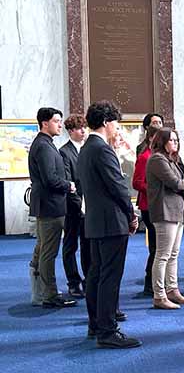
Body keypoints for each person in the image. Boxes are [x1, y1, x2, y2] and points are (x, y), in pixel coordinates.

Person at [78, 100, 141, 349]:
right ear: (106, 122)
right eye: (116, 122)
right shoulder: (102, 150)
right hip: (111, 222)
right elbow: (118, 187)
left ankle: (96, 324)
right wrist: (132, 214)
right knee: (109, 277)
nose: (117, 128)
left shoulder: (86, 148)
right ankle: (107, 330)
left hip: (95, 221)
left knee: (96, 275)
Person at [28, 107, 77, 308]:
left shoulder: (45, 144)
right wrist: (69, 185)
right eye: (56, 121)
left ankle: (41, 292)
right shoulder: (44, 146)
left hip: (49, 204)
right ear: (45, 123)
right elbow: (50, 179)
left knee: (43, 249)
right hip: (50, 205)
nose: (59, 125)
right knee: (49, 251)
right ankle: (49, 295)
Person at [146, 127, 184, 309]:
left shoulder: (171, 159)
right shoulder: (157, 158)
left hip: (175, 210)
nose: (175, 143)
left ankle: (172, 289)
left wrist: (182, 184)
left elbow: (177, 181)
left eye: (176, 140)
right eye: (172, 140)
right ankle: (159, 295)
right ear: (162, 141)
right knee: (163, 255)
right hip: (164, 211)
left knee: (173, 254)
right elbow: (175, 182)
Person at [59, 115, 88, 299]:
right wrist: (80, 206)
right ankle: (73, 282)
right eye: (79, 128)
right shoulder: (64, 152)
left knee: (87, 245)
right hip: (72, 207)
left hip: (88, 206)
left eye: (84, 127)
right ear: (70, 131)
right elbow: (69, 183)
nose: (83, 130)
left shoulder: (87, 150)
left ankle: (87, 279)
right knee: (70, 246)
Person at [132, 126, 160, 296]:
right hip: (149, 205)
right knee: (156, 247)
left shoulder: (160, 156)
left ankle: (158, 281)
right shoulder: (144, 157)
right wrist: (154, 188)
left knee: (161, 247)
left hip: (160, 205)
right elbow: (136, 182)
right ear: (150, 139)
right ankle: (150, 282)